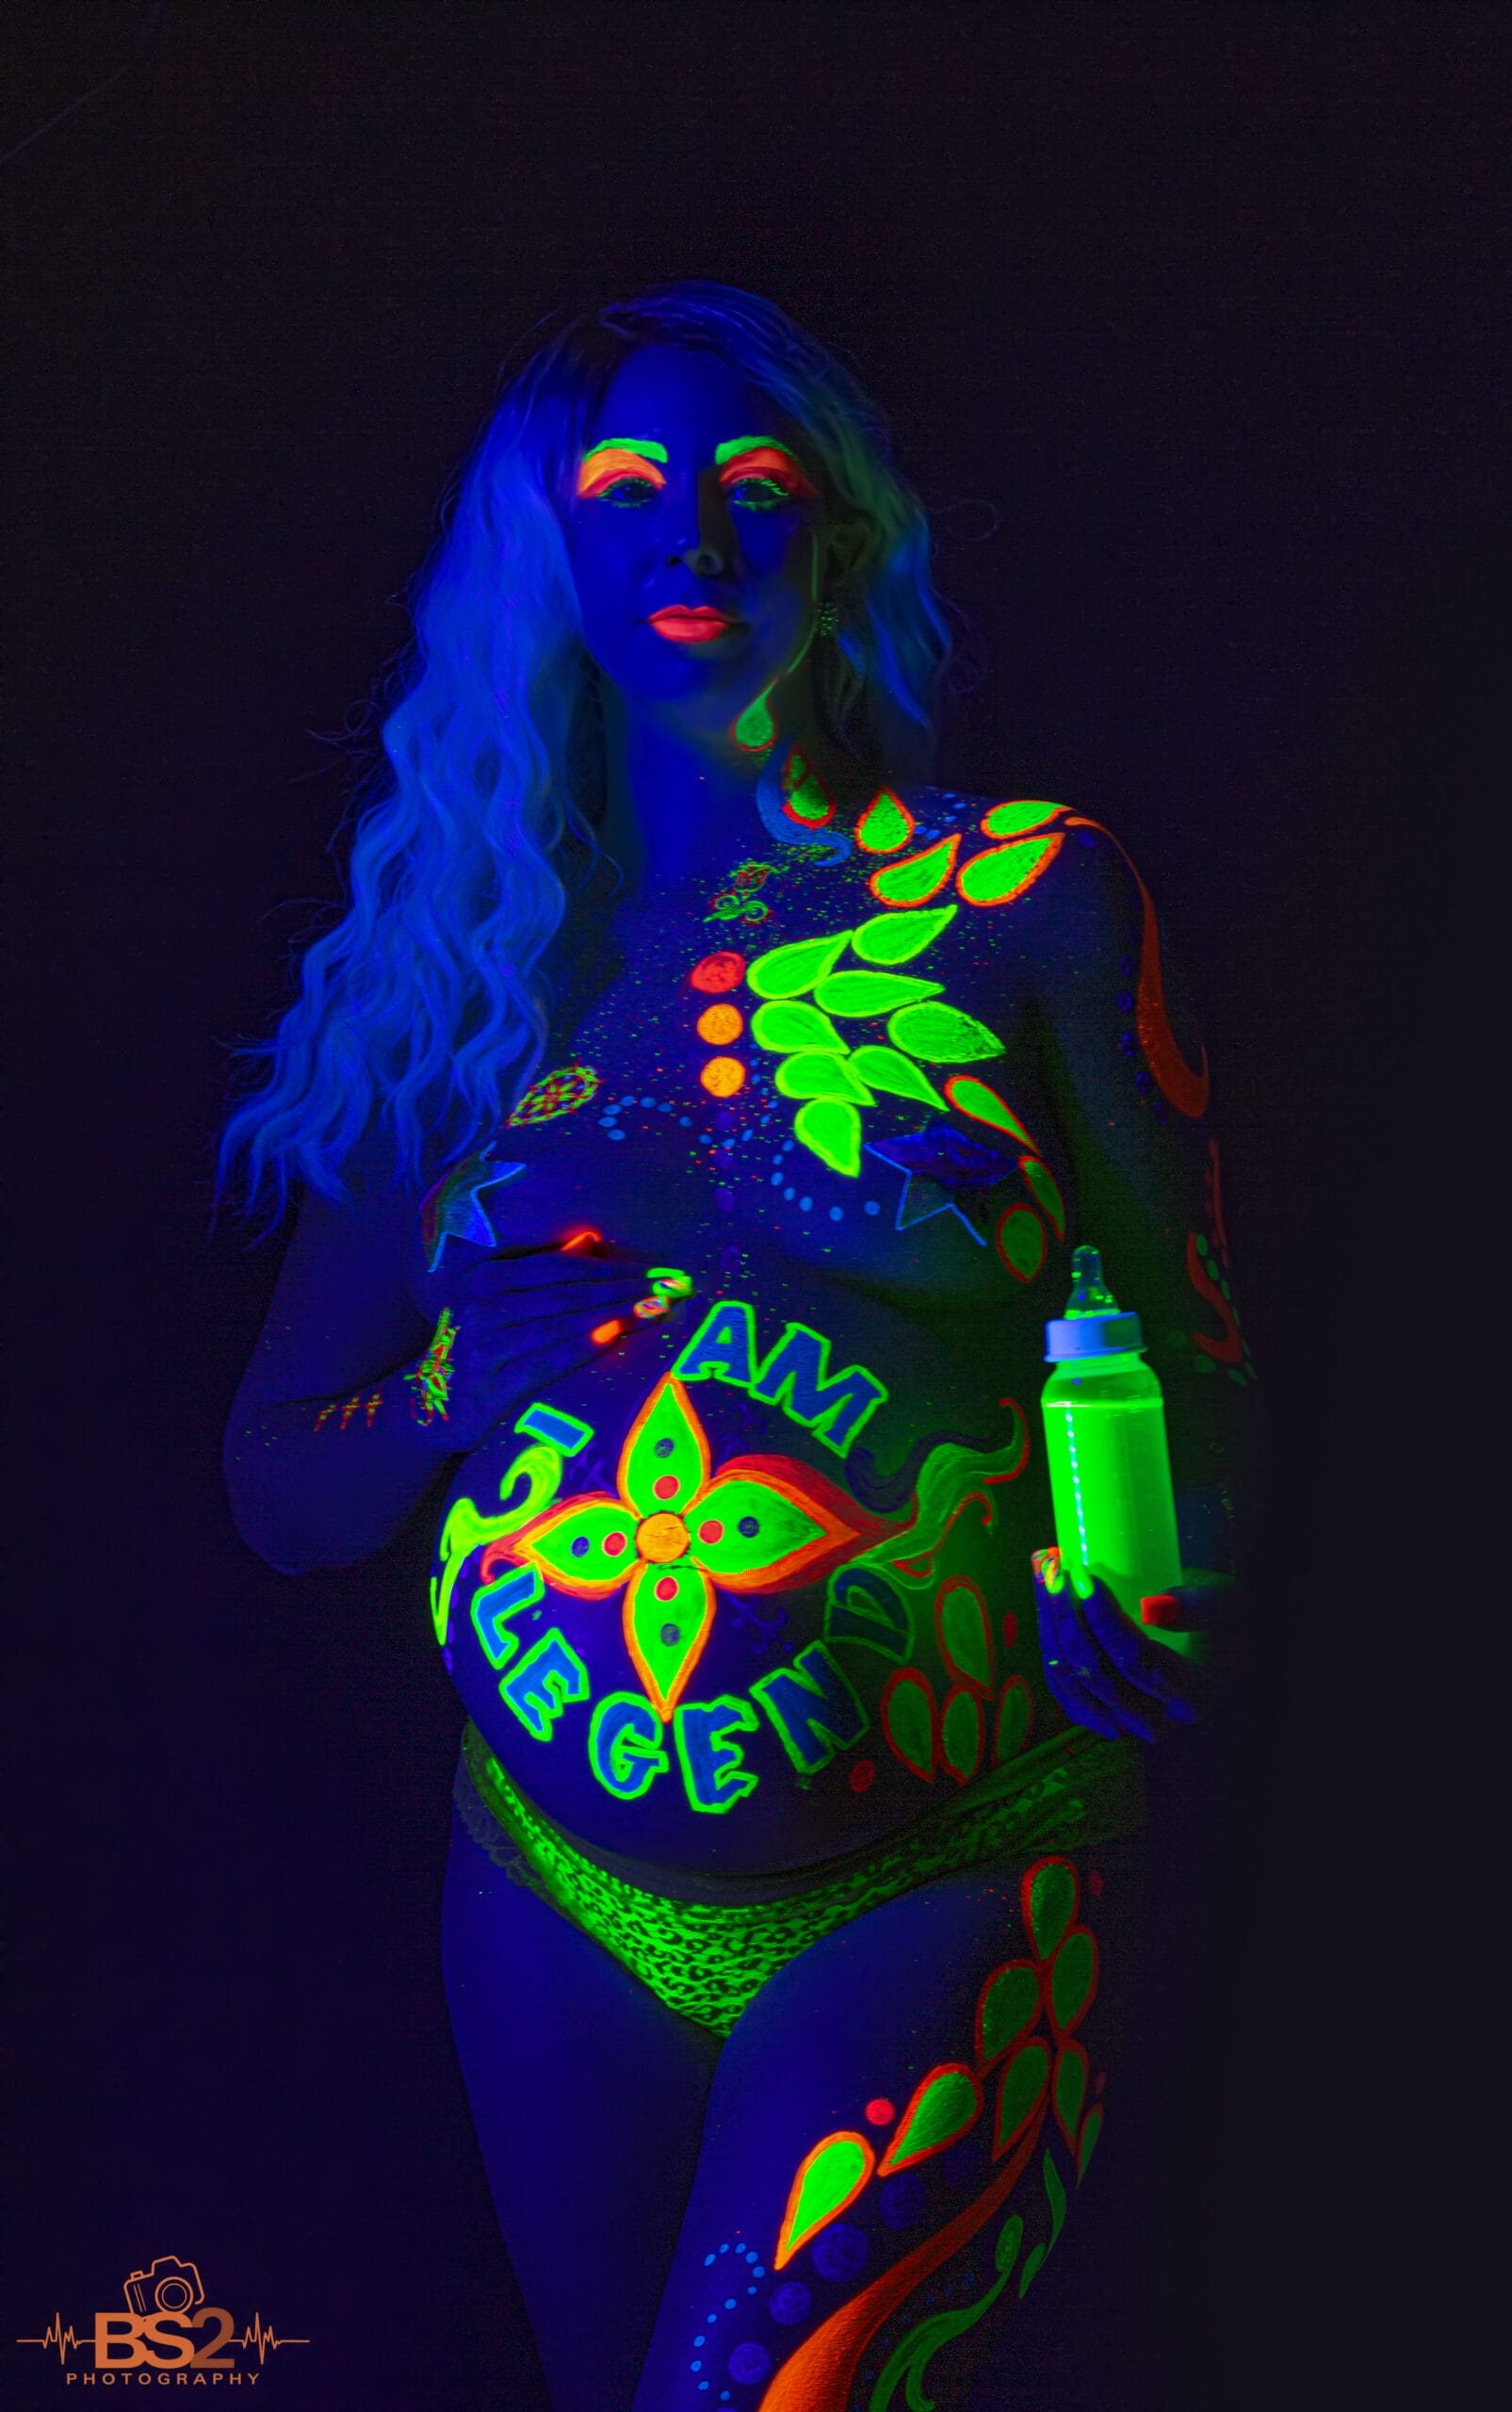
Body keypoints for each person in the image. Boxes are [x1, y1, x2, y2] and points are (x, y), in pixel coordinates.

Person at [220, 282, 1258, 2412]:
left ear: (840, 539)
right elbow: (274, 1479)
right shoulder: (460, 983)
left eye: (753, 484)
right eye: (625, 489)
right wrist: (439, 1396)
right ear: (546, 559)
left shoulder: (1025, 902)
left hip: (953, 1857)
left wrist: (1162, 1574)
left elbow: (1205, 1358)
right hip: (545, 1897)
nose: (692, 533)